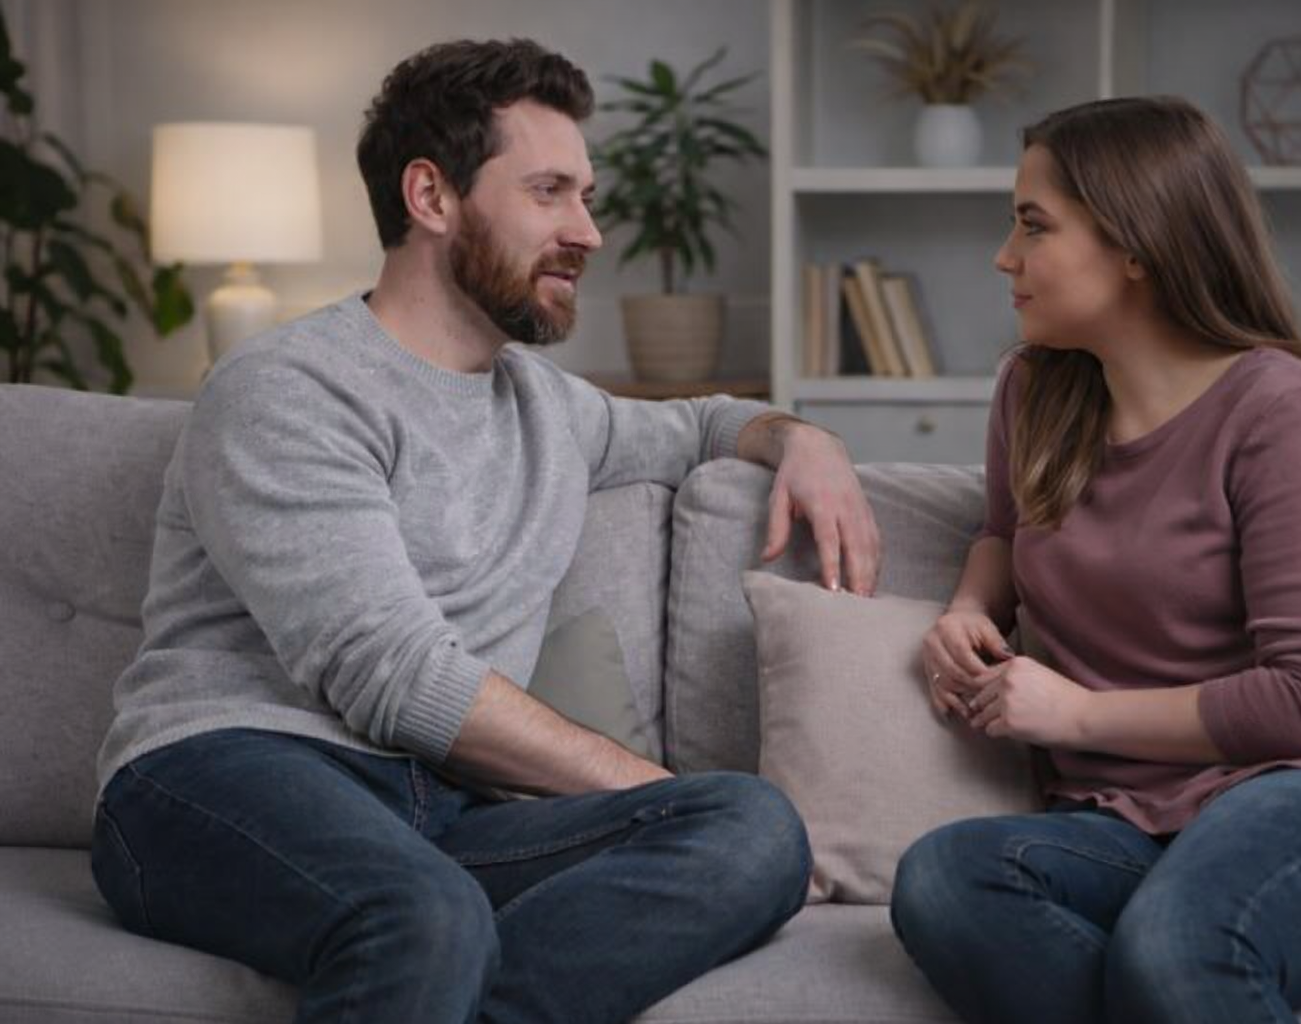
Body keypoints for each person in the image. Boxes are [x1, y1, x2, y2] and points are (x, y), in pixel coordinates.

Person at [90, 37, 880, 1024]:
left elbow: (698, 423)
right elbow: (396, 677)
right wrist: (646, 782)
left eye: (586, 196)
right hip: (224, 777)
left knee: (755, 828)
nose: (588, 231)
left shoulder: (549, 406)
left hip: (441, 808)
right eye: (550, 191)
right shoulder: (285, 388)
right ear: (431, 197)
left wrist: (803, 440)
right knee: (423, 912)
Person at [889, 96, 1301, 1024]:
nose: (1006, 257)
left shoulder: (1286, 413)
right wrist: (969, 609)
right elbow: (1003, 529)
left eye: (1033, 225)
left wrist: (1078, 712)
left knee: (1179, 943)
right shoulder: (1035, 389)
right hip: (1132, 819)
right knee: (945, 878)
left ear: (1136, 243)